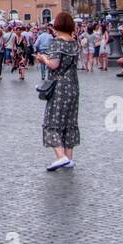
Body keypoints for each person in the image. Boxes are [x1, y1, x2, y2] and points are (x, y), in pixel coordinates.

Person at [38, 12, 80, 171]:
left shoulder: (57, 43)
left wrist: (43, 59)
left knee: (52, 121)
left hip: (59, 87)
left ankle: (61, 157)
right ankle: (69, 158)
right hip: (73, 86)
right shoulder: (74, 43)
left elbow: (54, 64)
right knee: (69, 122)